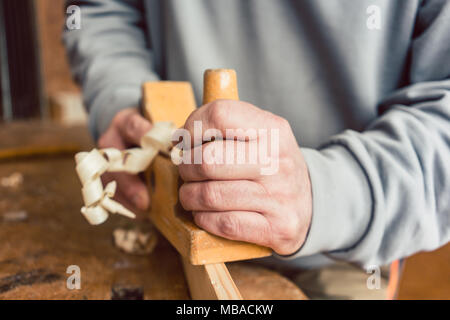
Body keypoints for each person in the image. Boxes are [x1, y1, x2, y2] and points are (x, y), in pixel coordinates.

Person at [64, 0, 450, 299]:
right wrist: (122, 98)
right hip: (165, 216)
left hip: (343, 243)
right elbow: (101, 12)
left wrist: (323, 194)